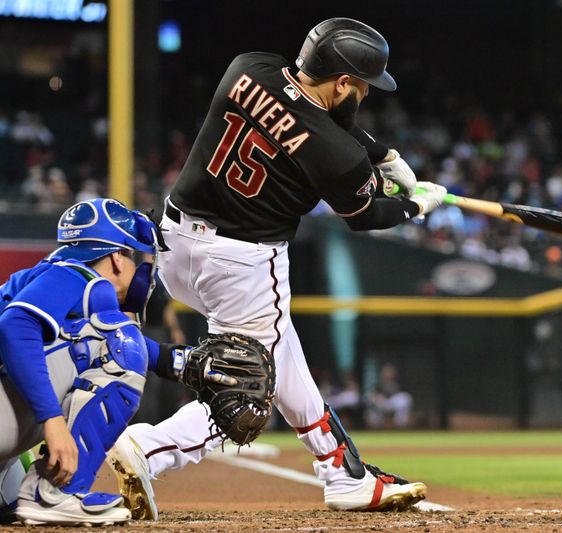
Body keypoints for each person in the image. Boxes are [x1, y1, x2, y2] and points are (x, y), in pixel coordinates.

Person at [109, 17, 445, 517]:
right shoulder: (340, 158)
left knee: (281, 348)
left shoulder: (248, 67)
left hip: (175, 244)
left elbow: (311, 115)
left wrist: (382, 154)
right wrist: (417, 203)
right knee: (246, 391)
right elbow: (367, 214)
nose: (367, 96)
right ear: (344, 82)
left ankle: (341, 472)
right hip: (241, 264)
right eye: (363, 87)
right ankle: (149, 450)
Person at [0, 198, 178, 525]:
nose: (139, 269)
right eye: (132, 255)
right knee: (117, 341)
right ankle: (53, 495)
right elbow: (16, 325)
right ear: (115, 257)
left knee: (8, 501)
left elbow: (80, 339)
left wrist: (182, 362)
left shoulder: (55, 277)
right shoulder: (75, 275)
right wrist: (52, 420)